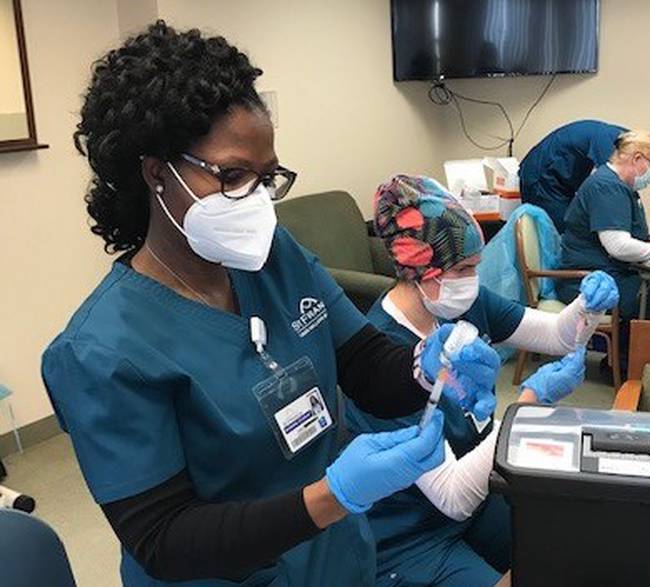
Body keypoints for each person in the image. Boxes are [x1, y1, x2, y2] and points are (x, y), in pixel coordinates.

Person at [40, 22, 502, 587]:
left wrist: (427, 369)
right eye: (232, 175)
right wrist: (333, 496)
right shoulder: (101, 350)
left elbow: (360, 363)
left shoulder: (271, 256)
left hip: (336, 560)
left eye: (266, 178)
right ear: (156, 173)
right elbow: (164, 540)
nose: (254, 201)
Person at [345, 175, 619, 586]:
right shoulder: (381, 362)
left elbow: (558, 336)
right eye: (463, 268)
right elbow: (451, 496)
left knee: (570, 549)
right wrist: (525, 406)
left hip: (479, 492)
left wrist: (588, 306)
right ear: (422, 268)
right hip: (410, 533)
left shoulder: (460, 303)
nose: (474, 278)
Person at [556, 130, 650, 371]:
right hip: (588, 280)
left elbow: (614, 232)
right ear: (637, 159)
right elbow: (617, 246)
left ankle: (633, 361)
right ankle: (627, 366)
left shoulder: (616, 185)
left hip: (606, 272)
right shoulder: (607, 187)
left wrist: (647, 240)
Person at [519, 120, 650, 232]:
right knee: (560, 232)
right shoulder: (614, 143)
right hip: (543, 179)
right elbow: (614, 191)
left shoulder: (625, 141)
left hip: (562, 183)